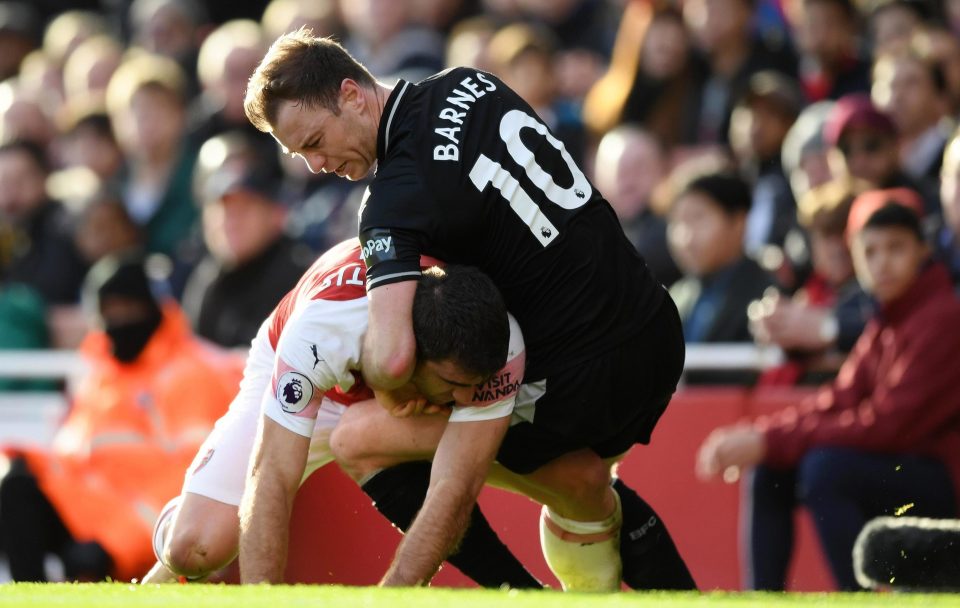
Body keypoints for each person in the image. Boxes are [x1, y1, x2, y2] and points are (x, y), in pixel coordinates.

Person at [243, 30, 694, 591]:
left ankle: (514, 593)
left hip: (579, 380)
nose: (315, 165)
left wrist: (391, 387)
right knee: (579, 486)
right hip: (655, 330)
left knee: (360, 437)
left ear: (353, 95)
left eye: (314, 140)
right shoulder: (470, 83)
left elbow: (391, 355)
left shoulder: (392, 201)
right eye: (300, 155)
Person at [143, 239, 541, 590]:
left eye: (475, 383)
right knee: (193, 547)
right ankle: (178, 526)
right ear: (411, 354)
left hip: (373, 391)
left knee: (558, 473)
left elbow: (454, 491)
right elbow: (273, 474)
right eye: (453, 384)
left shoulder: (499, 342)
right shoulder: (322, 331)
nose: (466, 396)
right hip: (309, 375)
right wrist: (261, 599)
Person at [696, 189, 960, 590]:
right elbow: (838, 400)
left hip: (943, 481)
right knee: (771, 468)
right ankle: (760, 599)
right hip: (906, 468)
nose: (882, 263)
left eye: (895, 249)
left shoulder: (941, 317)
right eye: (869, 252)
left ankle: (857, 599)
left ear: (923, 251)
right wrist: (766, 438)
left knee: (826, 469)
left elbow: (887, 424)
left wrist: (769, 438)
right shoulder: (888, 318)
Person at [0, 253, 241, 582]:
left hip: (146, 533)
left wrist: (114, 544)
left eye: (128, 309)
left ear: (153, 307)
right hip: (92, 513)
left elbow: (192, 483)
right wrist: (23, 461)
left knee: (81, 557)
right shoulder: (103, 372)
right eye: (109, 312)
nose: (119, 321)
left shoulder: (189, 374)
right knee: (16, 487)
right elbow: (74, 458)